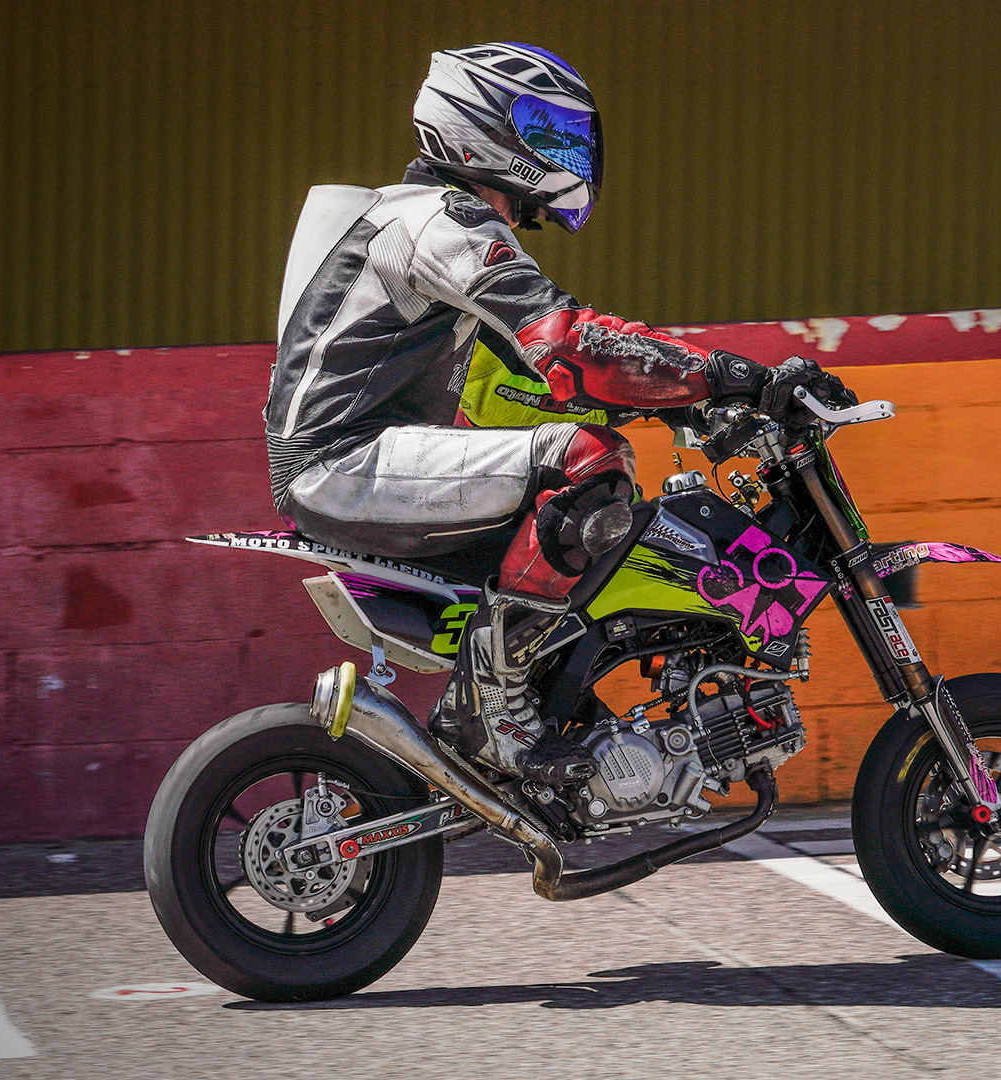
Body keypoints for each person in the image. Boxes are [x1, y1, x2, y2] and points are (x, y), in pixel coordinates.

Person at [262, 42, 851, 786]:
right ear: (475, 127)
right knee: (588, 462)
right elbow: (570, 342)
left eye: (568, 136)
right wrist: (737, 377)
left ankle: (551, 706)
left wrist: (688, 406)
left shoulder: (431, 223)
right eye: (547, 132)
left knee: (594, 505)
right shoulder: (441, 222)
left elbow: (546, 373)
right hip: (342, 462)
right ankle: (492, 712)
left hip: (361, 455)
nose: (567, 154)